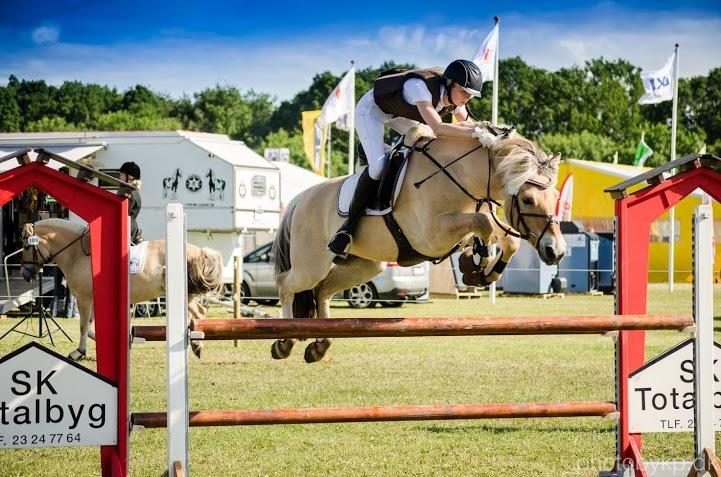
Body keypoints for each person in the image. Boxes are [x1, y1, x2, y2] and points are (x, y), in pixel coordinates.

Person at [327, 59, 485, 258]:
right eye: (464, 91)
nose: (467, 98)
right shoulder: (419, 88)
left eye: (471, 95)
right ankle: (346, 229)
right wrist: (477, 132)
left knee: (429, 144)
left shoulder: (456, 100)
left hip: (399, 113)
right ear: (450, 83)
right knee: (378, 168)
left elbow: (469, 124)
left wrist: (487, 132)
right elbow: (439, 128)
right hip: (372, 111)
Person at [118, 161, 143, 245]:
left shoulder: (128, 191)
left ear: (129, 177)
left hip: (127, 228)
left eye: (121, 174)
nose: (119, 177)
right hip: (131, 226)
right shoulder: (133, 191)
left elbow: (122, 213)